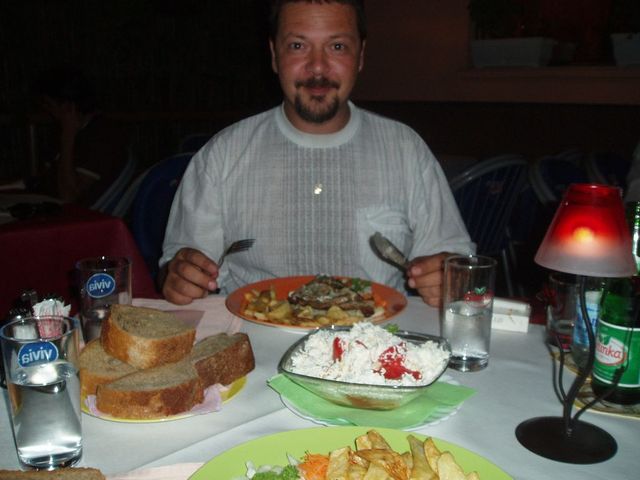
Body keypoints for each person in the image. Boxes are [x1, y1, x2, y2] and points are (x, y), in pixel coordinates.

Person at [159, 0, 474, 308]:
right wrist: (177, 277)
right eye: (298, 46)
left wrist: (450, 277)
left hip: (378, 336)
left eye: (337, 47)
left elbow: (462, 269)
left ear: (361, 56)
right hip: (251, 336)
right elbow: (175, 270)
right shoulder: (222, 154)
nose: (318, 67)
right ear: (274, 55)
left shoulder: (406, 149)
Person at [29, 65, 131, 207]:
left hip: (78, 216)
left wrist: (68, 137)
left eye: (49, 104)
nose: (46, 110)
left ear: (67, 106)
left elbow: (68, 196)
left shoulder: (103, 136)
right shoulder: (63, 131)